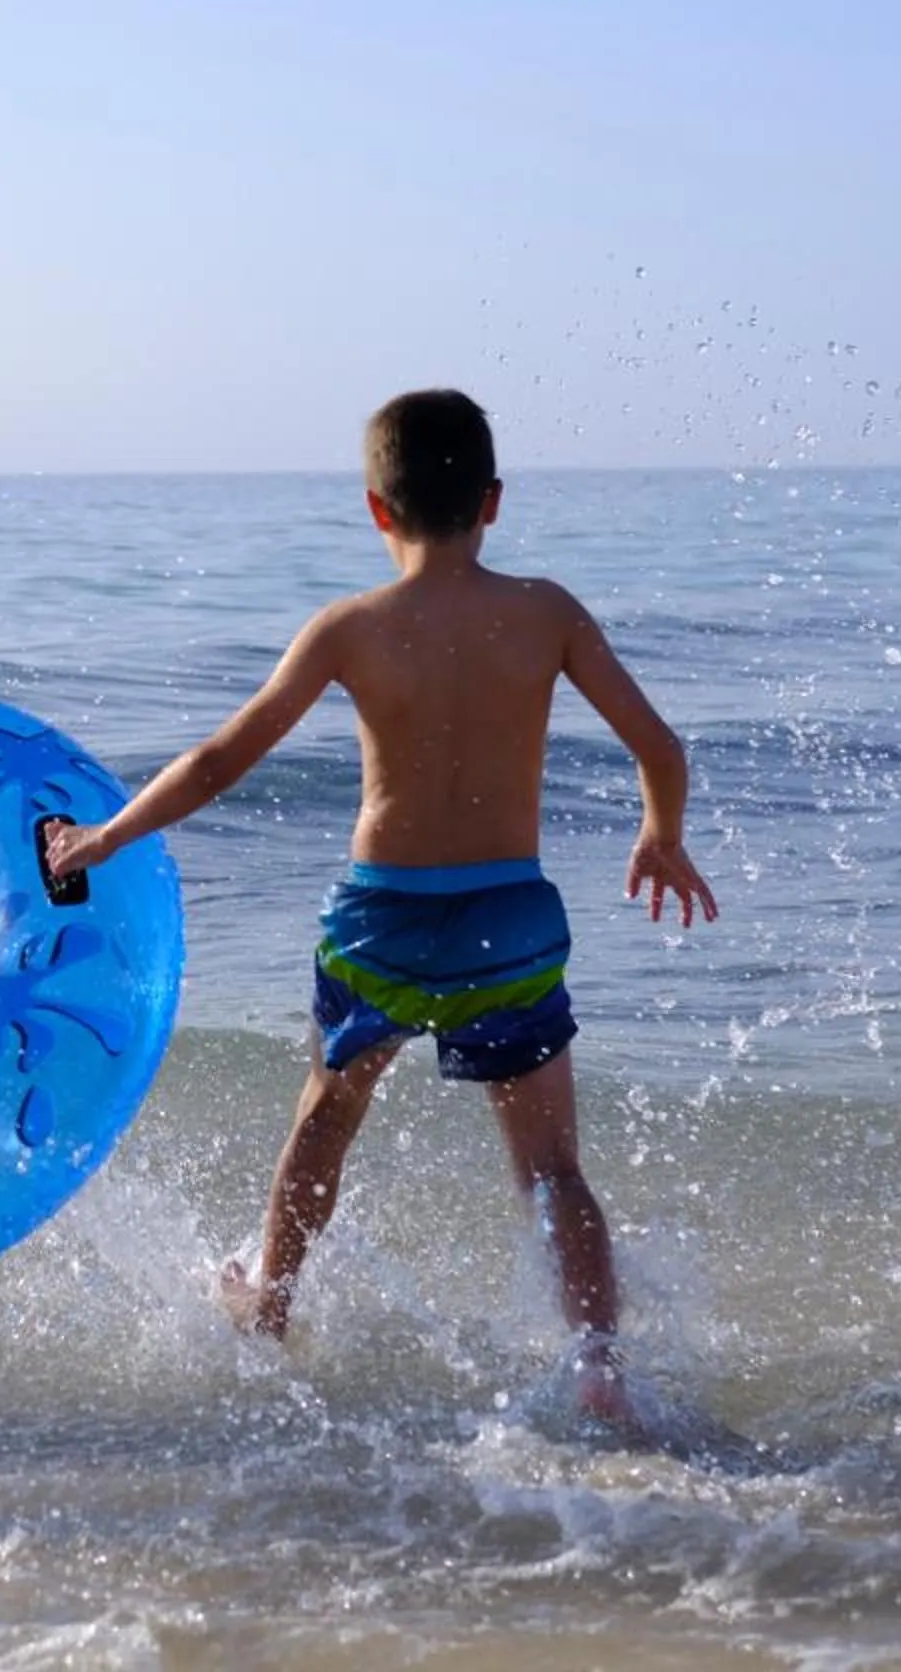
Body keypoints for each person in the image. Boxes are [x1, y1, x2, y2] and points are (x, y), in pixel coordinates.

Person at [45, 388, 714, 1420]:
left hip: (384, 919)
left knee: (326, 1118)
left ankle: (270, 1302)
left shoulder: (350, 627)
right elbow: (661, 747)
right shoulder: (546, 612)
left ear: (376, 509)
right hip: (509, 916)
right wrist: (659, 833)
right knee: (550, 1165)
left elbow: (223, 759)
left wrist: (100, 839)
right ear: (493, 500)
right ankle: (598, 1364)